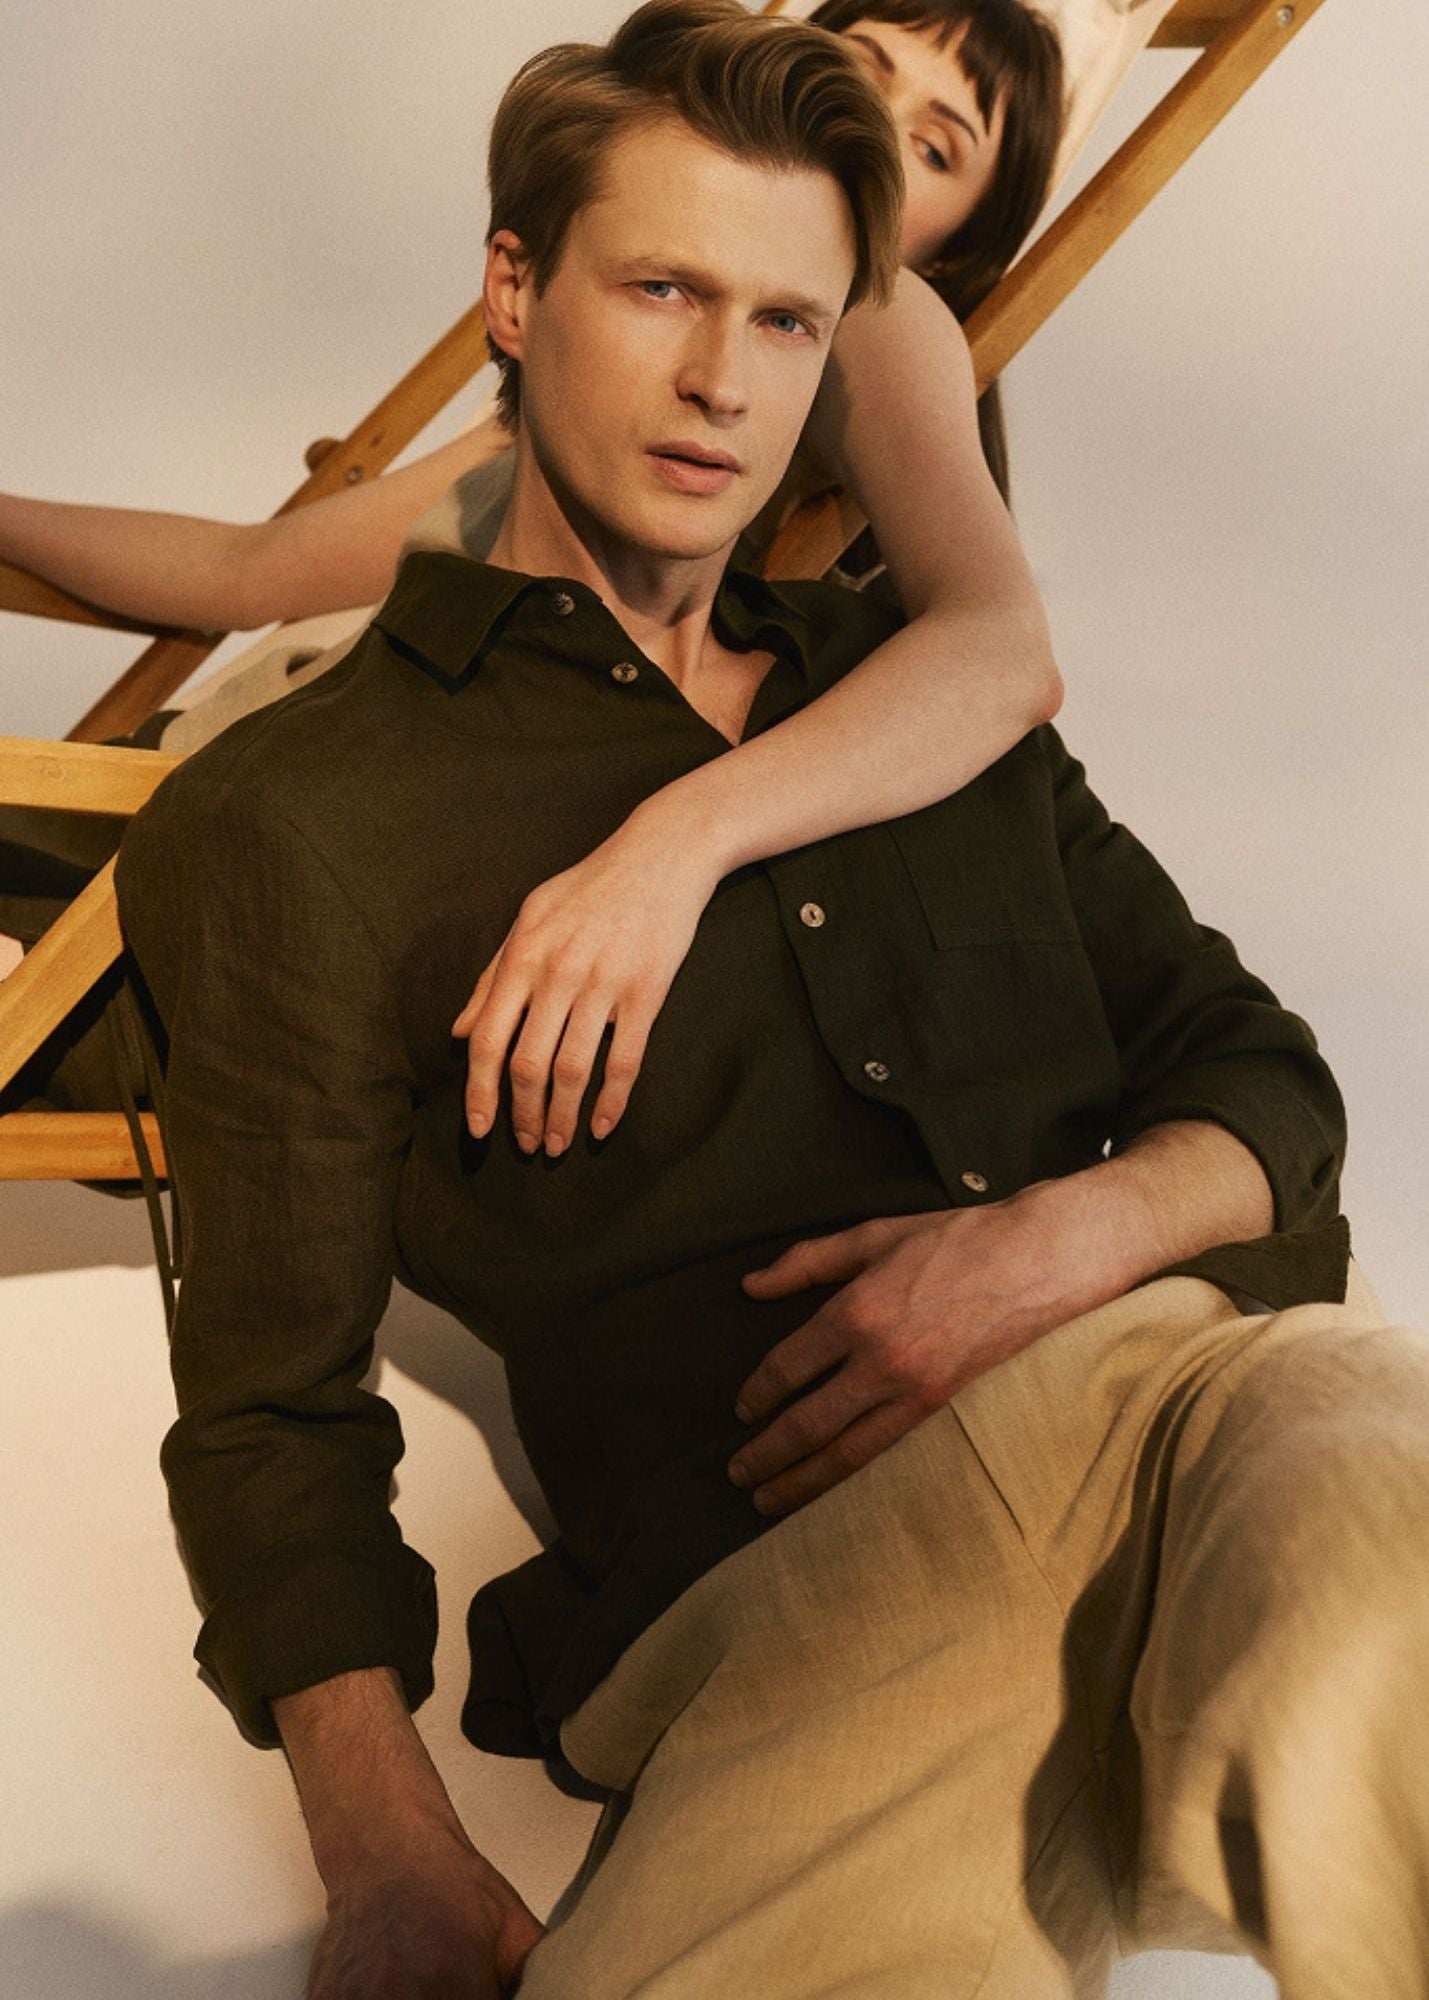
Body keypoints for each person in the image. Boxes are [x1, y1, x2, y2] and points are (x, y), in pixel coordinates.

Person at [87, 4, 1428, 1996]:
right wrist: (389, 1859)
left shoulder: (924, 707)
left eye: (789, 321)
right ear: (514, 292)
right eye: (664, 291)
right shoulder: (297, 820)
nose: (724, 379)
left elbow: (1262, 1085)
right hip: (806, 1612)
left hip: (1193, 1408)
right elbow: (272, 1412)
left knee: (1393, 1567)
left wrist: (1050, 1245)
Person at [0, 0, 1066, 1141]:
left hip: (277, 874)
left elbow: (1002, 650)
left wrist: (676, 840)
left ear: (963, 242)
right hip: (195, 794)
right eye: (860, 70)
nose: (876, 125)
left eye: (935, 146)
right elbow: (246, 570)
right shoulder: (593, 404)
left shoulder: (880, 320)